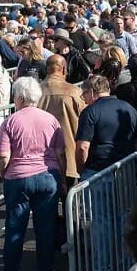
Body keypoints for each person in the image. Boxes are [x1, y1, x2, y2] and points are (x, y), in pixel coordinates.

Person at [77, 75, 137, 271]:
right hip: (124, 169)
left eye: (84, 94)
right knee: (124, 219)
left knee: (101, 222)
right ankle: (125, 267)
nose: (83, 98)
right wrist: (127, 155)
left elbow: (83, 146)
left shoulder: (90, 112)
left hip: (98, 171)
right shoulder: (127, 107)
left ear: (91, 92)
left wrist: (83, 169)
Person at [0, 77, 65, 271]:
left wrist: (3, 172)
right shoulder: (51, 119)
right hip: (47, 176)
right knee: (45, 228)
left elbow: (3, 156)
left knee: (15, 226)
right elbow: (60, 152)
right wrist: (61, 176)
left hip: (18, 177)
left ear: (18, 97)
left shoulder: (10, 121)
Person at [38, 54, 88, 196]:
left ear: (47, 70)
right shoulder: (74, 91)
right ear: (64, 70)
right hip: (70, 154)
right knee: (70, 203)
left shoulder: (35, 92)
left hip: (42, 157)